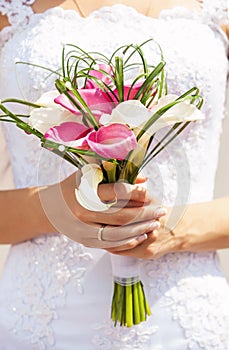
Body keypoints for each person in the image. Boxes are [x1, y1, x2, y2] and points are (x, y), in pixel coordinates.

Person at [0, 0, 228, 349]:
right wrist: (54, 207)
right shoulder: (11, 10)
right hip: (42, 324)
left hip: (186, 323)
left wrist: (172, 229)